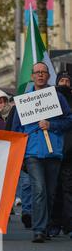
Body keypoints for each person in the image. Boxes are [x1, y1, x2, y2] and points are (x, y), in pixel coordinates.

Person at [12, 63, 72, 243]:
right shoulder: (24, 100)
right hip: (33, 153)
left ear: (48, 76)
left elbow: (69, 120)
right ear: (32, 76)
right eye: (37, 72)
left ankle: (45, 226)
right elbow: (17, 128)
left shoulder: (57, 98)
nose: (40, 75)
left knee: (50, 192)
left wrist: (51, 125)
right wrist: (19, 153)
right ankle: (38, 229)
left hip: (53, 152)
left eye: (43, 72)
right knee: (38, 190)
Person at [49, 72, 72, 237]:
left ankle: (69, 224)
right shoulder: (49, 99)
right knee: (54, 189)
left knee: (68, 189)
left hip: (70, 152)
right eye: (61, 80)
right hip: (53, 151)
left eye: (67, 81)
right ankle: (54, 223)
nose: (64, 83)